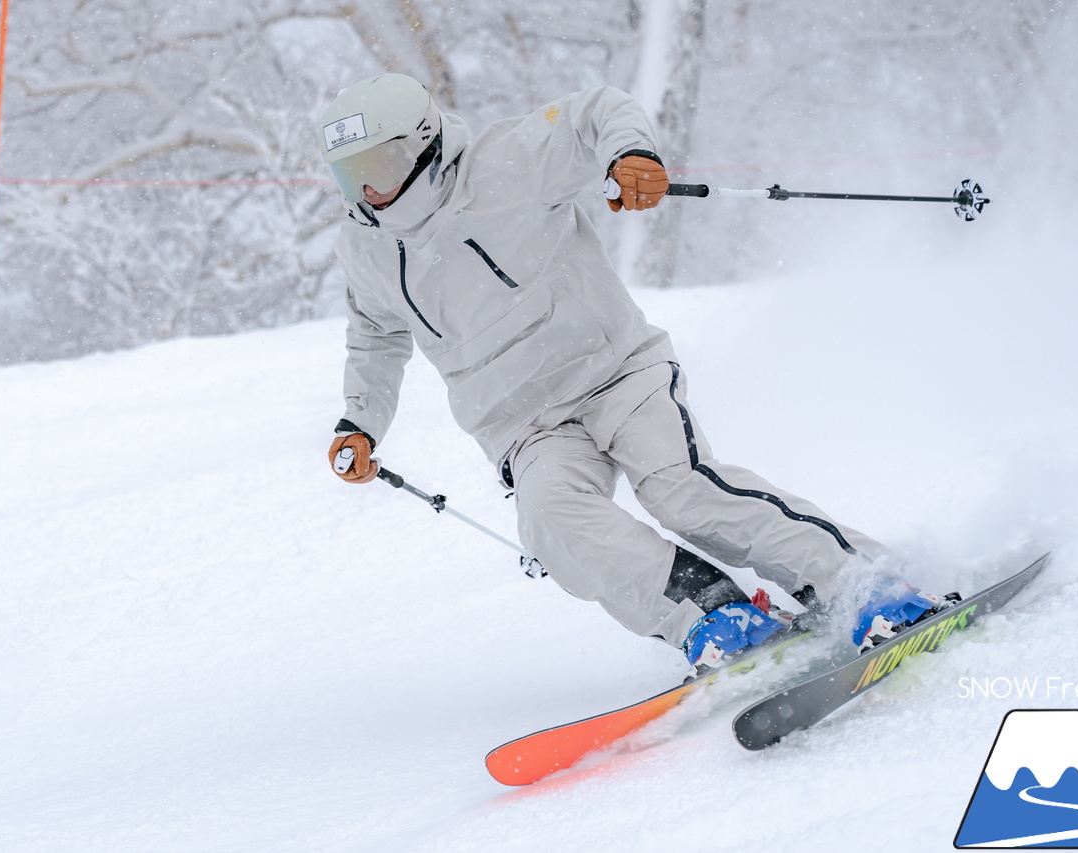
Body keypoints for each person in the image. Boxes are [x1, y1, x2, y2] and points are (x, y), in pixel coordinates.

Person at [319, 73, 947, 673]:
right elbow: (375, 337)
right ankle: (713, 615)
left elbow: (598, 109)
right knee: (551, 521)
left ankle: (862, 584)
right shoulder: (363, 246)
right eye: (350, 176)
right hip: (524, 425)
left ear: (420, 144)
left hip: (617, 374)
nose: (365, 191)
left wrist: (630, 156)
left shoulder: (507, 161)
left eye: (375, 169)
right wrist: (360, 422)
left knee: (680, 488)